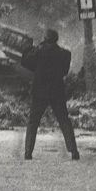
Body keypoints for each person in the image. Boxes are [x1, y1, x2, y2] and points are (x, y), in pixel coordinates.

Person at [21, 29, 79, 161]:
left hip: (39, 91)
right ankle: (74, 151)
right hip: (57, 91)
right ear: (56, 39)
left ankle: (28, 152)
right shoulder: (65, 54)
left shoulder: (38, 52)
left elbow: (25, 62)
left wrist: (29, 47)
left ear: (45, 39)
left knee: (33, 122)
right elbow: (64, 71)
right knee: (64, 121)